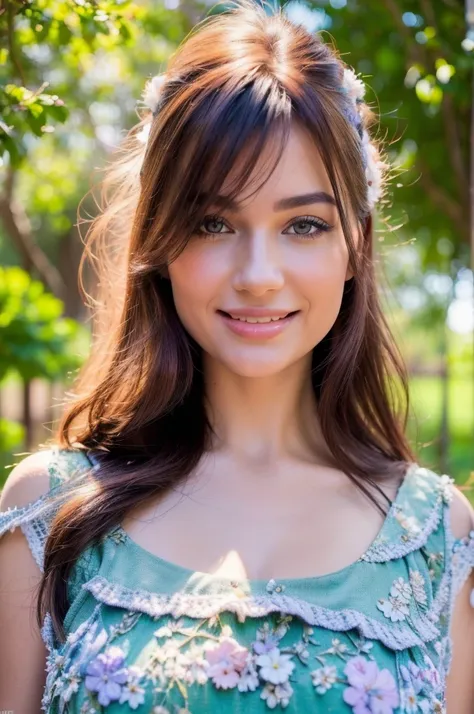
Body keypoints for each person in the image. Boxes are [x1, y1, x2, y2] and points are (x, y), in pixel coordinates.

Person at [1, 1, 474, 712]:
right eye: (214, 222)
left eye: (304, 225)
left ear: (356, 246)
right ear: (160, 240)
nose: (258, 273)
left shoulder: (440, 537)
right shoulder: (53, 512)